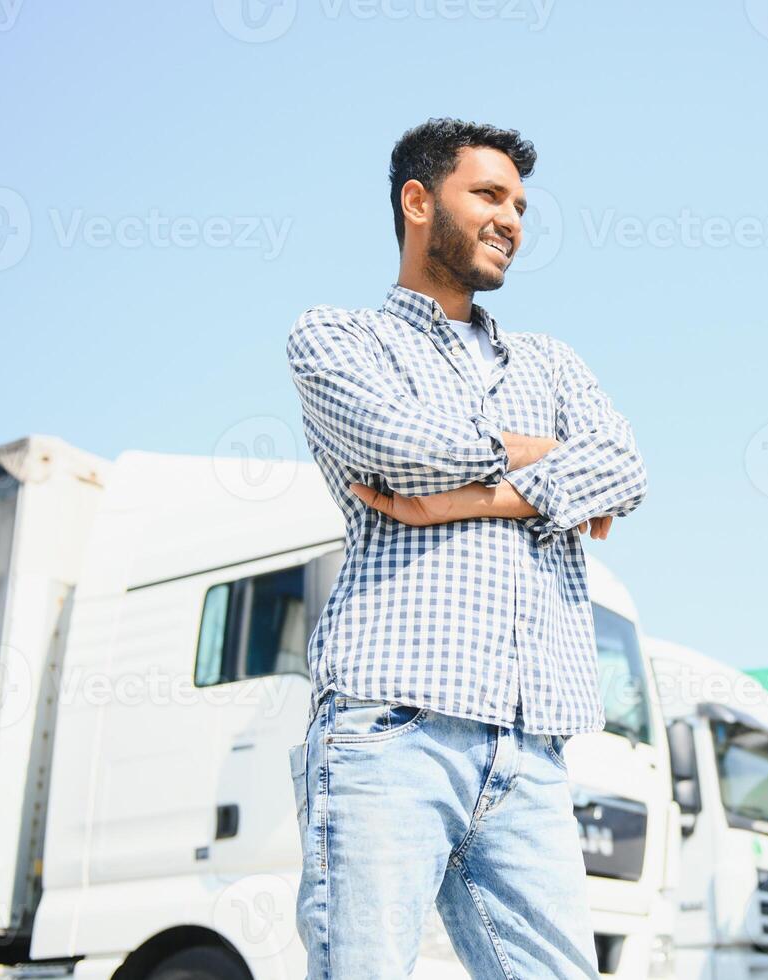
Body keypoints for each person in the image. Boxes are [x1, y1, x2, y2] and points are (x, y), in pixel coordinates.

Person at [284, 117, 648, 978]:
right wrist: (543, 461)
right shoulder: (336, 339)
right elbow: (396, 446)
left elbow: (625, 468)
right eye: (487, 194)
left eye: (520, 204)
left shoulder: (552, 363)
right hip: (389, 726)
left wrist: (454, 499)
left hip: (532, 746)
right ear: (418, 202)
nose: (512, 218)